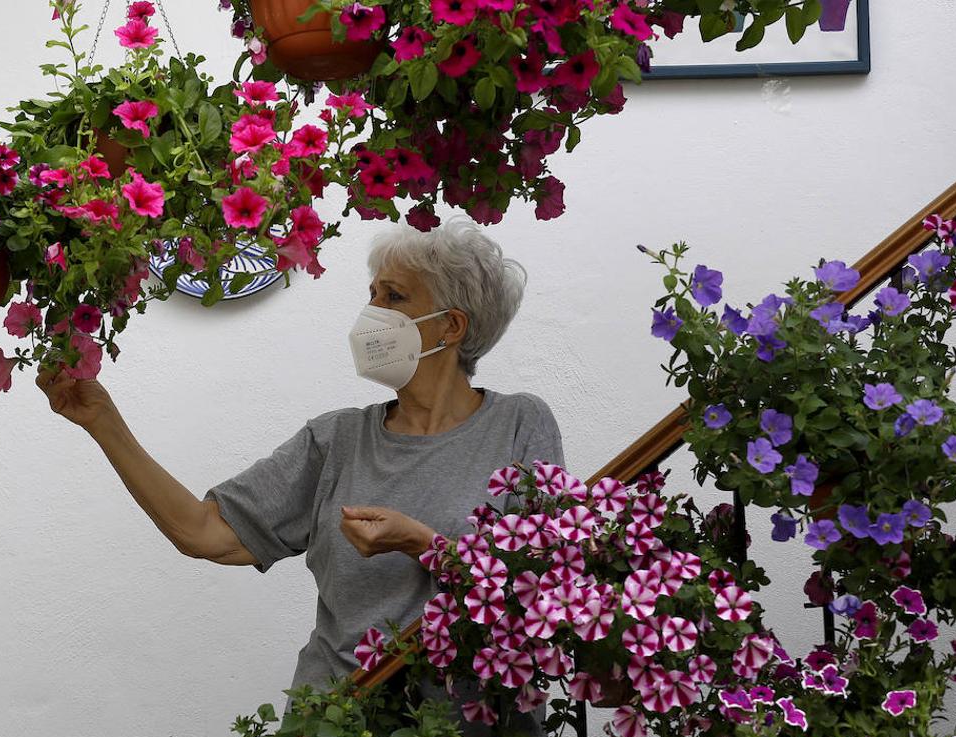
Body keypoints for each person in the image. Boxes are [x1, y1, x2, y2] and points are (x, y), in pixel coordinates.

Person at [36, 217, 564, 693]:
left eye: (394, 296)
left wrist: (422, 543)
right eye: (372, 293)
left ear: (451, 327)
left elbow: (550, 590)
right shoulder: (336, 440)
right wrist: (103, 423)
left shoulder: (519, 425)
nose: (371, 312)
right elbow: (204, 533)